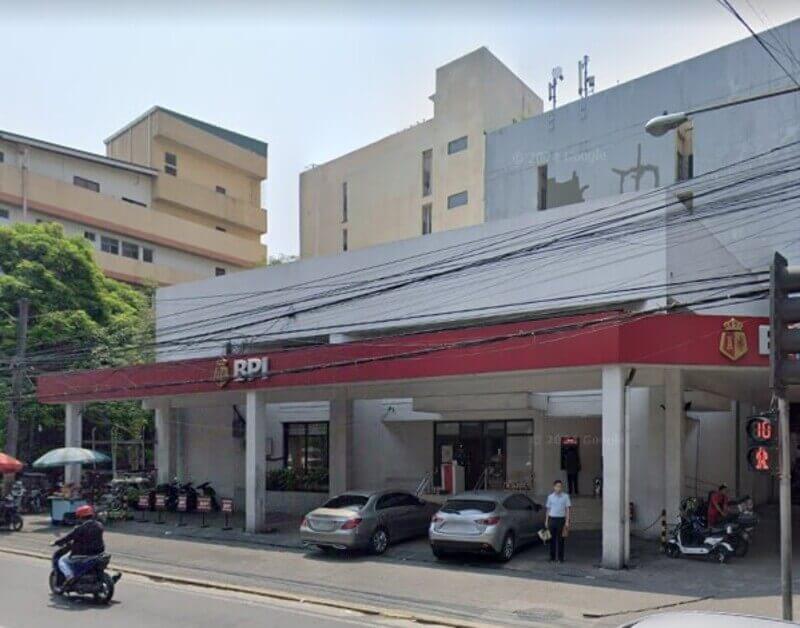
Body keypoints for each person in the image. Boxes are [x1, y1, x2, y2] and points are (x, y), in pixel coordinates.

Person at [53, 504, 105, 586]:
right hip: (98, 553)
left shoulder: (80, 528)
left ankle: (69, 577)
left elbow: (68, 538)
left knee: (62, 560)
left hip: (82, 554)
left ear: (80, 517)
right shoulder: (99, 525)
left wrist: (56, 542)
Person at [545, 479, 571, 563]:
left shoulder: (565, 496)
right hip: (552, 519)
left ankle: (560, 558)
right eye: (557, 486)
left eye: (560, 486)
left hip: (561, 520)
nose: (558, 488)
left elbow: (567, 509)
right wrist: (546, 521)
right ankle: (552, 558)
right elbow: (548, 509)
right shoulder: (550, 497)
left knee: (561, 540)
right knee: (551, 539)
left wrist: (567, 521)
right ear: (554, 487)